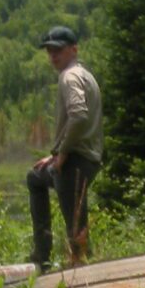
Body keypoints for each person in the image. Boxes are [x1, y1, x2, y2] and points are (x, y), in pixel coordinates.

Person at [31, 25, 103, 267]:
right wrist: (54, 156)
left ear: (73, 49)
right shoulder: (85, 75)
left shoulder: (69, 77)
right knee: (36, 178)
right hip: (84, 158)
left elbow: (79, 115)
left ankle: (48, 262)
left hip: (75, 161)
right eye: (50, 51)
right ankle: (43, 256)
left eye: (58, 50)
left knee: (77, 233)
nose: (53, 56)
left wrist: (61, 154)